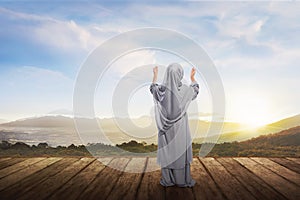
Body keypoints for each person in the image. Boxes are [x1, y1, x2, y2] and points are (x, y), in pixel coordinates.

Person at [149, 63, 199, 187]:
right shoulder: (186, 90)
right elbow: (196, 90)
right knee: (180, 152)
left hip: (165, 131)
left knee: (167, 153)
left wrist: (155, 76)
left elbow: (152, 89)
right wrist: (192, 78)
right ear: (180, 75)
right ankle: (181, 180)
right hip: (180, 129)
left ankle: (168, 180)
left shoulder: (161, 90)